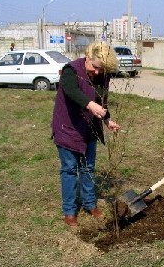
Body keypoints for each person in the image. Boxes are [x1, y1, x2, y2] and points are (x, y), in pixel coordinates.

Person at [51, 41, 120, 227]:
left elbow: (101, 101)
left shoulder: (101, 75)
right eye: (95, 67)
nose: (97, 72)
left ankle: (90, 204)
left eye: (101, 69)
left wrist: (107, 120)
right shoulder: (70, 71)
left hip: (89, 128)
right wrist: (90, 105)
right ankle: (69, 211)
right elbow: (70, 90)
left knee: (88, 168)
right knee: (69, 170)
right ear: (87, 57)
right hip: (68, 127)